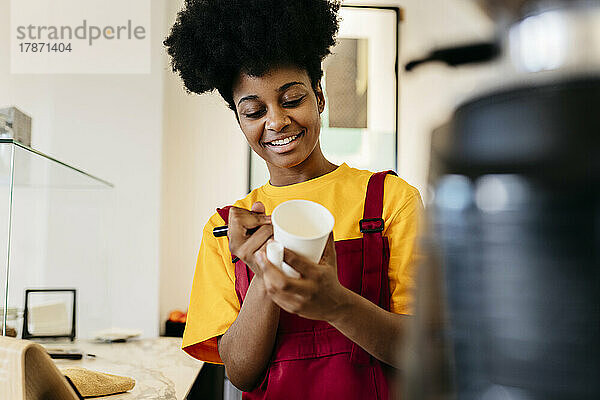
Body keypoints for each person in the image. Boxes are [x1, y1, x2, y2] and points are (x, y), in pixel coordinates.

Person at [164, 1, 422, 398]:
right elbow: (242, 374)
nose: (276, 122)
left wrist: (336, 304)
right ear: (239, 119)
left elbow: (423, 351)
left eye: (291, 99)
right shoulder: (224, 230)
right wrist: (265, 273)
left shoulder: (390, 201)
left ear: (319, 97)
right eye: (253, 110)